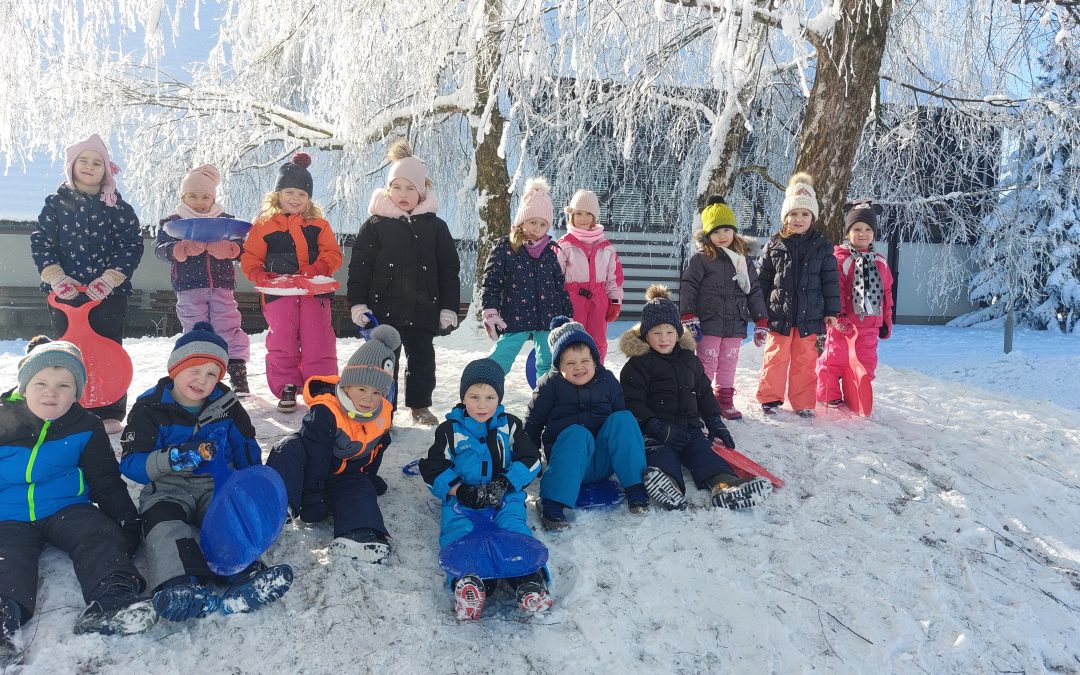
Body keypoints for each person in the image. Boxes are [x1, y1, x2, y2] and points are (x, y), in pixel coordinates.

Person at [119, 323, 292, 623]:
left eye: (212, 373)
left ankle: (247, 576)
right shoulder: (151, 408)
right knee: (165, 525)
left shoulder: (227, 406)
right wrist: (170, 459)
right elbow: (132, 462)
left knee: (232, 520)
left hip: (217, 483)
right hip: (167, 486)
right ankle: (180, 584)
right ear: (175, 368)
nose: (202, 380)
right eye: (194, 370)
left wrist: (254, 488)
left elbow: (245, 446)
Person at [1, 338, 155, 665]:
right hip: (8, 514)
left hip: (65, 508)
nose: (50, 392)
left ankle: (113, 599)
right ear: (24, 387)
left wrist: (125, 521)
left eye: (64, 385)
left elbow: (104, 480)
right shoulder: (2, 419)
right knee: (7, 557)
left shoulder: (86, 426)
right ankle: (4, 622)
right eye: (40, 383)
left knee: (97, 533)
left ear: (77, 392)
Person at [419, 359, 552, 621]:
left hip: (504, 496)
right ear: (463, 397)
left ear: (499, 397)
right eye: (474, 396)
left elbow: (530, 458)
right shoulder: (449, 431)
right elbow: (433, 467)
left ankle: (529, 582)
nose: (482, 404)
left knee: (513, 530)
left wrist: (505, 483)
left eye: (490, 397)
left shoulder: (510, 426)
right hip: (463, 500)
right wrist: (459, 490)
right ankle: (470, 585)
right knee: (459, 533)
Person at [619, 286, 772, 511]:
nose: (664, 339)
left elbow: (703, 392)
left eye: (670, 332)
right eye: (657, 333)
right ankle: (668, 486)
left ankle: (725, 487)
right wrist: (657, 428)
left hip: (688, 427)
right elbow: (633, 403)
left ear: (678, 333)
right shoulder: (637, 365)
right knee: (661, 456)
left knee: (703, 453)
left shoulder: (689, 360)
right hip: (656, 432)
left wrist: (715, 423)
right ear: (645, 335)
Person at [31, 133, 143, 434]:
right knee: (70, 350)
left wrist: (109, 279)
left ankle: (109, 410)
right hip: (66, 296)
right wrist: (56, 277)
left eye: (98, 162)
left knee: (107, 350)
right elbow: (42, 242)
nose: (90, 167)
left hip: (107, 295)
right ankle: (70, 406)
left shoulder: (118, 208)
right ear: (72, 166)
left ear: (106, 169)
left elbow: (131, 245)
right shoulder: (55, 205)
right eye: (84, 160)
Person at [347, 141, 460, 426]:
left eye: (410, 188)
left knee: (422, 360)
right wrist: (358, 303)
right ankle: (384, 407)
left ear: (421, 191)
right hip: (384, 309)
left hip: (424, 309)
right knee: (385, 362)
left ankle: (420, 405)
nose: (403, 194)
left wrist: (448, 307)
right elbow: (359, 266)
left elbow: (449, 269)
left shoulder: (436, 227)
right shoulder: (375, 225)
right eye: (397, 187)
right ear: (388, 189)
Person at [267, 325, 399, 564]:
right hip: (308, 467)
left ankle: (360, 534)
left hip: (343, 472)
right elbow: (317, 456)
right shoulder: (326, 410)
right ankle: (279, 506)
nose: (369, 398)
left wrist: (368, 477)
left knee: (360, 489)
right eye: (362, 389)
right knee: (287, 448)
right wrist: (312, 496)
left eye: (377, 392)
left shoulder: (382, 414)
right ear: (347, 385)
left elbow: (377, 449)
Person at [525, 316, 651, 531]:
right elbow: (533, 424)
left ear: (595, 360)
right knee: (577, 433)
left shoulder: (608, 380)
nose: (579, 367)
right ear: (558, 365)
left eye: (585, 361)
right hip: (568, 462)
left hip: (602, 461)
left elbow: (624, 430)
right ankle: (552, 503)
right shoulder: (549, 385)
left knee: (623, 418)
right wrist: (530, 458)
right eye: (570, 363)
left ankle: (635, 487)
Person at [242, 152, 343, 412]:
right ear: (278, 195)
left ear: (309, 199)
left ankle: (320, 386)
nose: (295, 199)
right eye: (290, 192)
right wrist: (259, 275)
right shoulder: (263, 226)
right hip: (278, 293)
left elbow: (332, 253)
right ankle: (286, 385)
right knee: (282, 340)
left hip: (314, 294)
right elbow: (251, 257)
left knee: (318, 338)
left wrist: (318, 268)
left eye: (302, 194)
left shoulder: (319, 224)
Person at [156, 164, 250, 394]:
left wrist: (230, 249)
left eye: (205, 196)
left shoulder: (225, 220)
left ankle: (237, 374)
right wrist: (180, 248)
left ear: (214, 198)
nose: (199, 201)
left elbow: (243, 247)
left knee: (228, 327)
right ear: (183, 196)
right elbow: (160, 249)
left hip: (221, 285)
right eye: (193, 196)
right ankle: (197, 374)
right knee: (196, 329)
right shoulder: (172, 222)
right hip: (189, 287)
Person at [755, 172, 841, 418]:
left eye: (804, 214)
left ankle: (803, 402)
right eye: (793, 214)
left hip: (809, 315)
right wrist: (759, 310)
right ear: (785, 217)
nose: (798, 219)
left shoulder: (823, 246)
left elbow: (830, 281)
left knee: (805, 361)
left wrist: (831, 312)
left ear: (812, 217)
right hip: (778, 314)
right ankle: (770, 398)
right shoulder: (775, 244)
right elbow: (763, 278)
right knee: (775, 358)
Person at [679, 196, 768, 420]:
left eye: (727, 230)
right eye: (716, 232)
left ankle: (725, 401)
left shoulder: (743, 261)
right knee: (707, 363)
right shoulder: (701, 260)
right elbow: (688, 286)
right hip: (708, 322)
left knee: (729, 363)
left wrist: (760, 320)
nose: (722, 236)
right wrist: (688, 314)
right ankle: (701, 400)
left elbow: (754, 290)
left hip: (735, 322)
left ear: (734, 232)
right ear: (708, 235)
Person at [480, 178, 573, 380]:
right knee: (502, 356)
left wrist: (566, 314)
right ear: (522, 221)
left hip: (548, 317)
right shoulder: (506, 247)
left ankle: (545, 398)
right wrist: (490, 308)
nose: (537, 228)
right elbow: (492, 279)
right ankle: (484, 387)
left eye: (542, 224)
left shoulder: (550, 251)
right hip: (515, 316)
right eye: (532, 222)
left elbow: (560, 286)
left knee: (548, 363)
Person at [816, 200, 894, 406]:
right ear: (848, 232)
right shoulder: (840, 259)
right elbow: (835, 290)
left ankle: (858, 397)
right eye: (857, 229)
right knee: (834, 361)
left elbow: (886, 294)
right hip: (844, 325)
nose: (863, 233)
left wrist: (886, 320)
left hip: (870, 325)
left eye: (868, 229)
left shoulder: (880, 261)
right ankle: (829, 395)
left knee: (865, 364)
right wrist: (838, 316)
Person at [556, 189, 624, 363]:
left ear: (595, 217)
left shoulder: (606, 247)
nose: (583, 218)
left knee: (597, 342)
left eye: (588, 214)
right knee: (572, 339)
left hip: (598, 300)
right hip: (572, 300)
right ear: (571, 215)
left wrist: (615, 301)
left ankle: (597, 376)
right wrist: (557, 302)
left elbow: (614, 279)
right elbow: (555, 277)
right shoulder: (564, 245)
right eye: (578, 213)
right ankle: (571, 377)